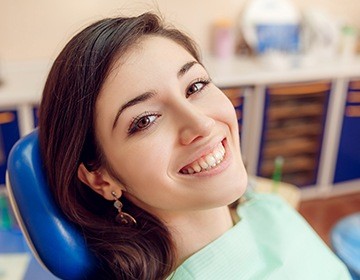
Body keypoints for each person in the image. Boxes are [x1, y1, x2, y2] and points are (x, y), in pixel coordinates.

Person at [39, 12, 351, 280]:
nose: (202, 124)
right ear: (101, 179)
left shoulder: (262, 206)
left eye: (195, 86)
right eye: (145, 120)